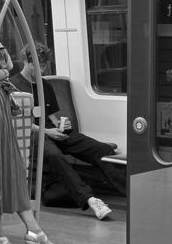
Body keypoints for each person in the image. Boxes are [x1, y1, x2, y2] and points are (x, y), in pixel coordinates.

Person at [0, 12, 63, 244]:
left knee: (11, 167)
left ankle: (32, 233)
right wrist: (3, 74)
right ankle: (0, 236)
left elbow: (6, 65)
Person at [9, 41, 121, 217]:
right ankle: (90, 200)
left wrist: (64, 126)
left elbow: (52, 117)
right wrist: (47, 131)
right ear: (26, 61)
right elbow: (17, 123)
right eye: (39, 65)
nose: (43, 70)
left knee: (102, 150)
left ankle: (129, 192)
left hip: (52, 130)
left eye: (45, 65)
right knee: (53, 155)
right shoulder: (12, 87)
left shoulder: (46, 86)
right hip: (32, 134)